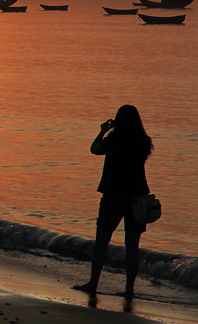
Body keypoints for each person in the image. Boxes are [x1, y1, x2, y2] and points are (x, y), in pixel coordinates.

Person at [74, 105, 154, 299]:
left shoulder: (114, 139)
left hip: (114, 195)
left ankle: (93, 283)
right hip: (137, 197)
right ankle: (129, 290)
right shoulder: (144, 141)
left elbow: (94, 149)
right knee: (132, 246)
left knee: (102, 242)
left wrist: (103, 130)